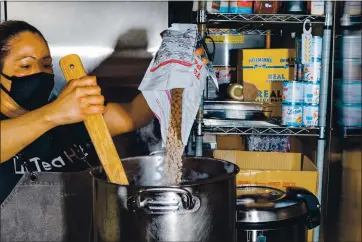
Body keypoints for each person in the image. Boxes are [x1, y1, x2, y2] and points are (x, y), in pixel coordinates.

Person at [0, 20, 155, 241]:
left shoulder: (72, 117)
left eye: (46, 65)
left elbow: (133, 115)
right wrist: (55, 113)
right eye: (26, 66)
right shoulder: (60, 112)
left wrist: (174, 71)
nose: (39, 73)